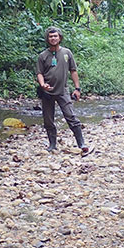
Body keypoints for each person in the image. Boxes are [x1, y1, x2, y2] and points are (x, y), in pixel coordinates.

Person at [36, 26, 89, 154]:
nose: (53, 38)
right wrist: (42, 84)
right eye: (50, 36)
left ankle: (81, 143)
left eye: (55, 36)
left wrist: (77, 88)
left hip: (63, 91)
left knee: (70, 116)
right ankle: (52, 145)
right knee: (48, 119)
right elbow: (39, 73)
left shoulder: (67, 53)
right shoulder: (42, 56)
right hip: (47, 92)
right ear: (47, 39)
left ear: (60, 37)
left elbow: (73, 71)